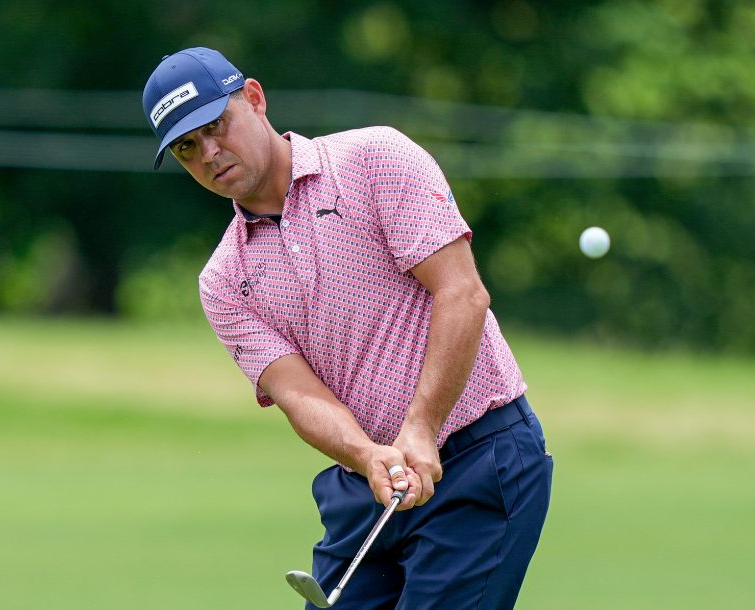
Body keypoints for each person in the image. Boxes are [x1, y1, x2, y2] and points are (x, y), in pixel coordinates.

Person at [142, 47, 553, 609]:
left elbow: (462, 293)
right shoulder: (225, 280)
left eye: (216, 125)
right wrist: (365, 455)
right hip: (366, 485)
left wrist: (422, 428)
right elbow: (297, 394)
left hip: (478, 460)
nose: (209, 153)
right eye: (187, 147)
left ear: (255, 99)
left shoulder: (373, 159)